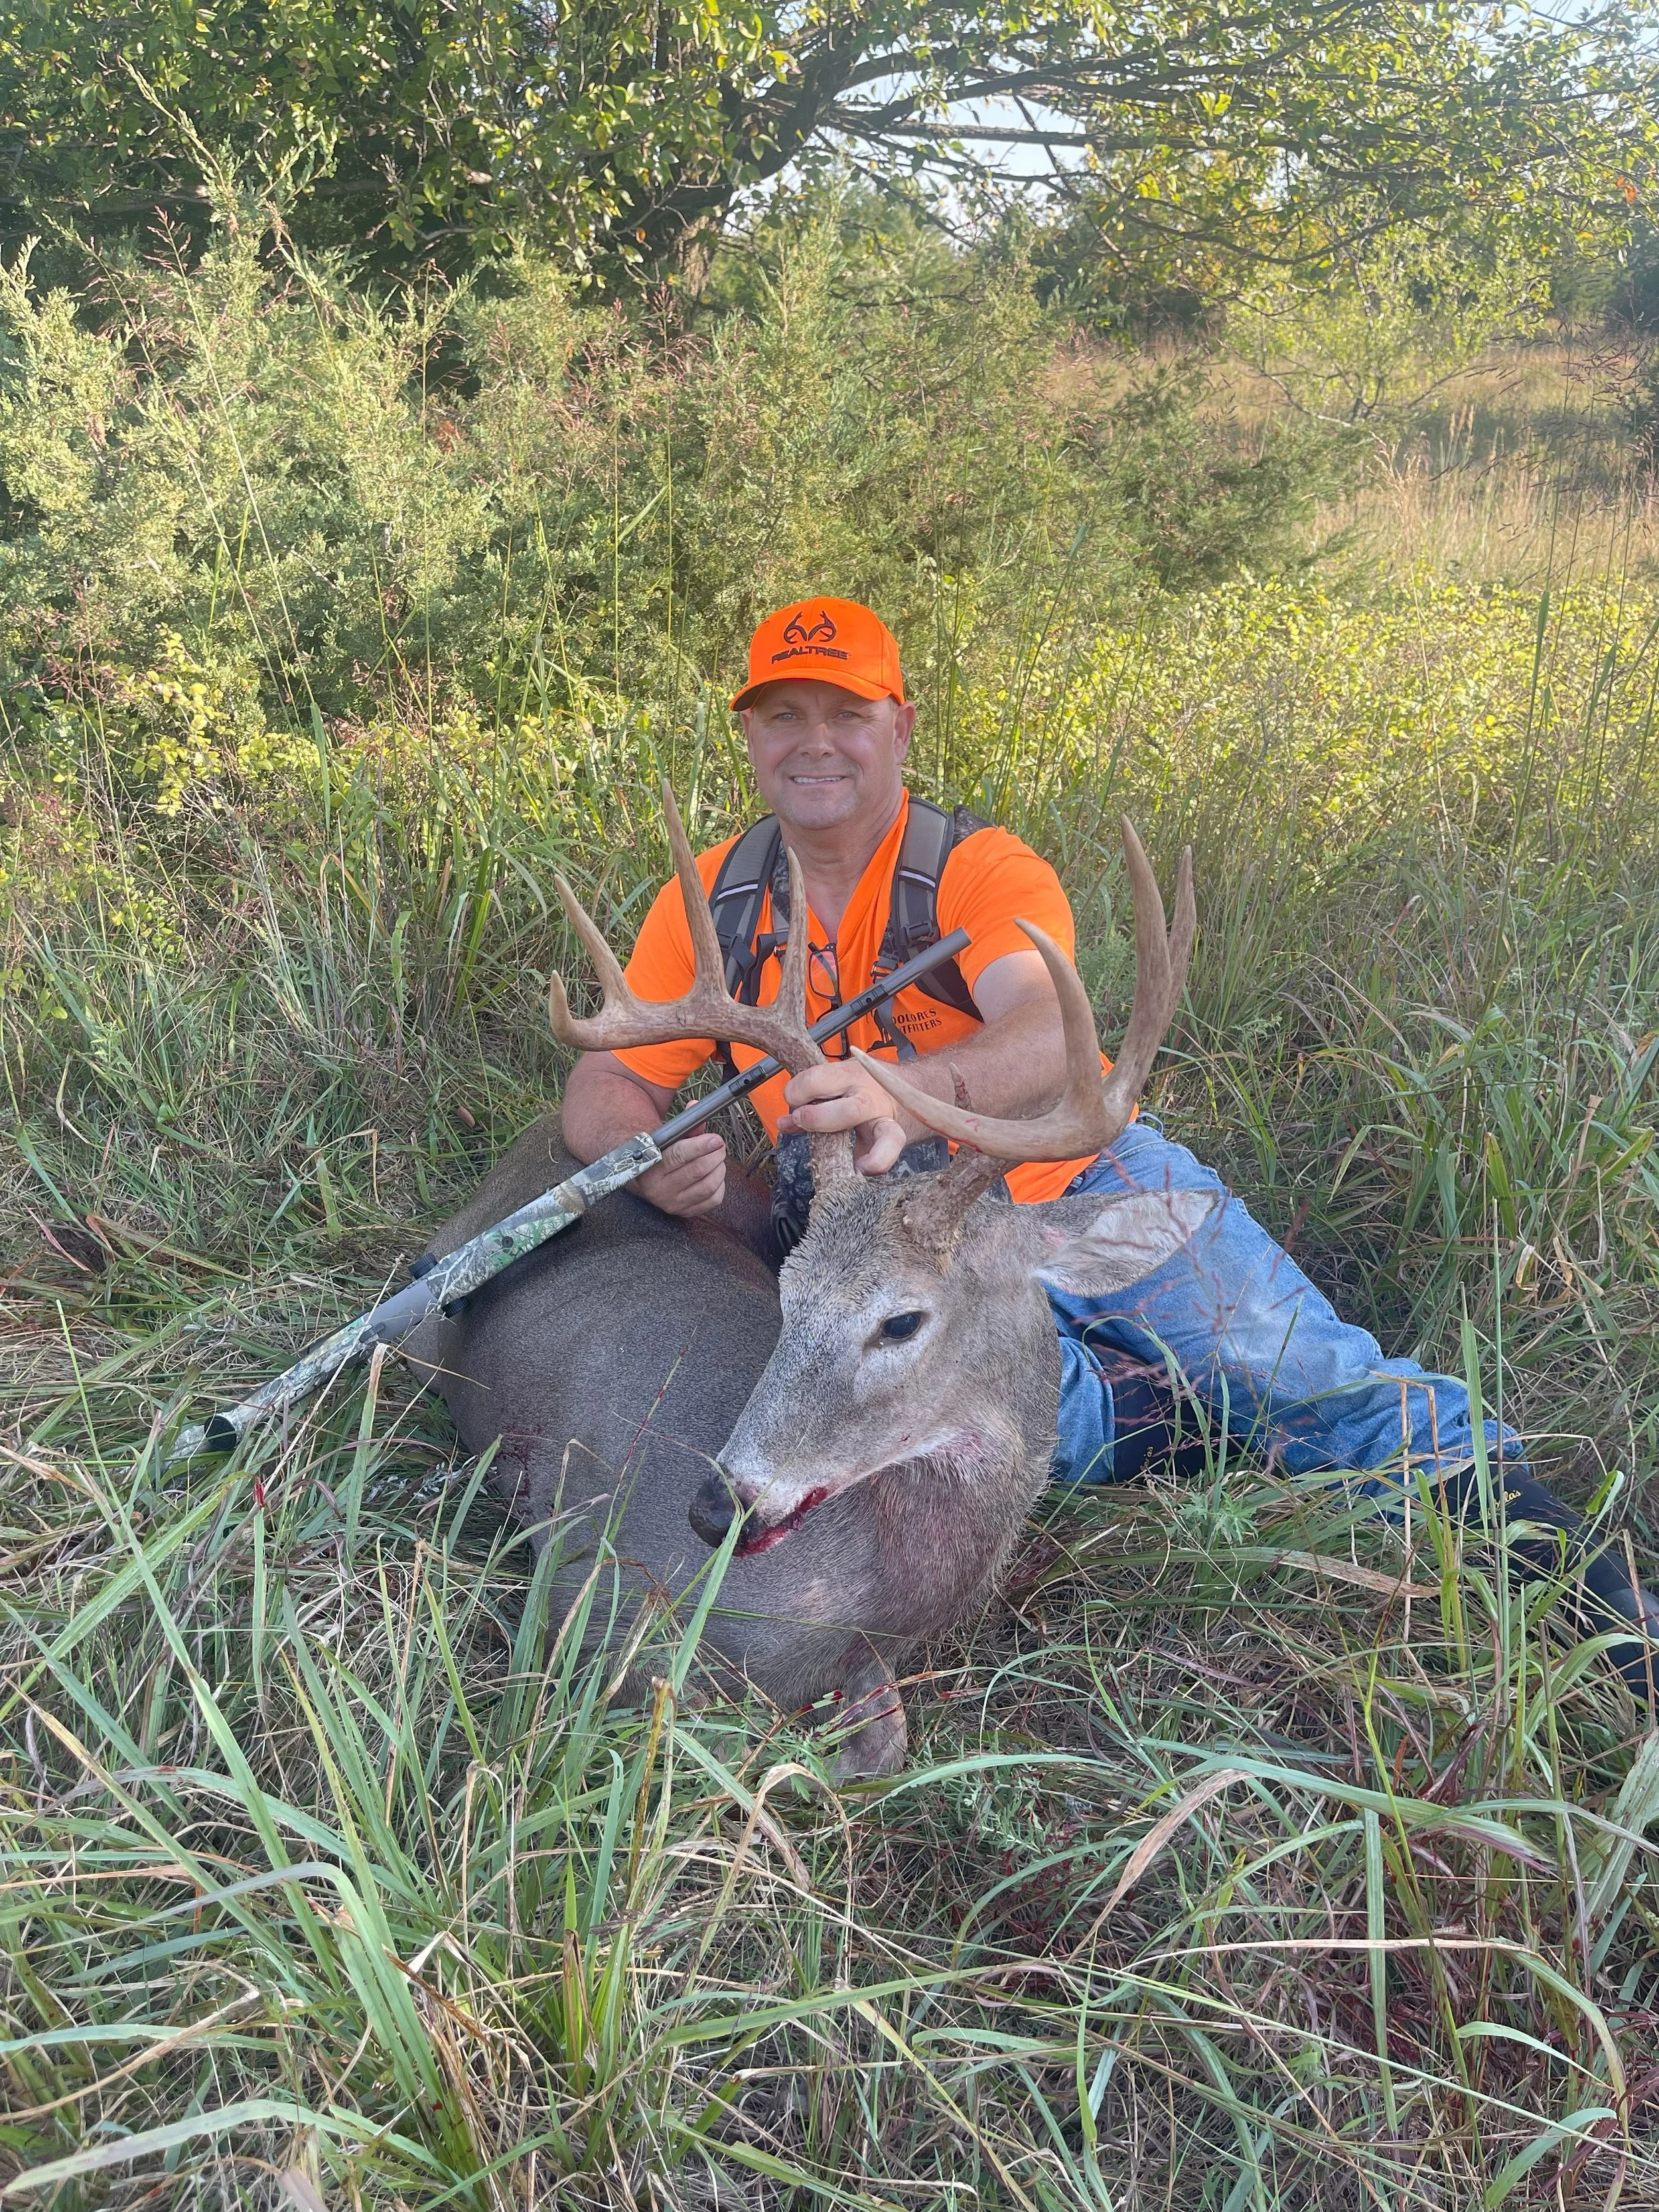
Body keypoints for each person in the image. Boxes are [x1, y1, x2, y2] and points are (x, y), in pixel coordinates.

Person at [561, 595, 1659, 1694]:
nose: (815, 742)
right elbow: (604, 1085)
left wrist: (910, 1090)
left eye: (846, 712)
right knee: (982, 1442)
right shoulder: (714, 898)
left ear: (898, 725)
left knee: (1317, 1386)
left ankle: (1590, 1592)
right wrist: (643, 1153)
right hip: (868, 1259)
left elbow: (1046, 1031)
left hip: (1069, 1195)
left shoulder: (978, 872)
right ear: (750, 735)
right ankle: (1171, 1415)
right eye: (783, 714)